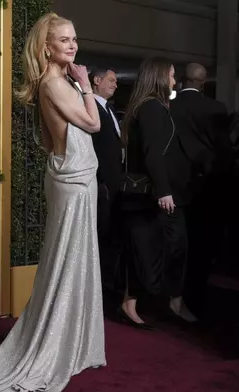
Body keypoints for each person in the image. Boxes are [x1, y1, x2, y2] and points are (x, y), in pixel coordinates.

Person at [0, 12, 106, 392]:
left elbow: (52, 142)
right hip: (74, 181)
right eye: (64, 40)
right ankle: (55, 346)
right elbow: (94, 124)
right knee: (68, 258)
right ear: (46, 46)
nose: (72, 45)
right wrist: (85, 85)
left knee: (75, 257)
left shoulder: (52, 83)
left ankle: (74, 345)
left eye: (74, 39)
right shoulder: (57, 84)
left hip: (72, 177)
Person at [119, 57, 197, 328]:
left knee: (159, 247)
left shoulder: (150, 105)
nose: (175, 81)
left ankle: (162, 301)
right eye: (172, 75)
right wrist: (164, 191)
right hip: (155, 196)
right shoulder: (151, 107)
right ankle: (139, 302)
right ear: (160, 76)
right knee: (155, 248)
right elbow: (153, 154)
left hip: (156, 195)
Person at [170, 63, 230, 317]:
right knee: (202, 247)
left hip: (174, 185)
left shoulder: (170, 107)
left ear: (182, 80)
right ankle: (197, 299)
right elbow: (224, 151)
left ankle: (172, 296)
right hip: (208, 188)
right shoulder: (216, 109)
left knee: (175, 245)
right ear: (203, 83)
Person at [89, 68, 123, 291]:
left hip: (114, 184)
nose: (116, 85)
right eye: (111, 80)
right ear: (96, 80)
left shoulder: (109, 109)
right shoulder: (89, 106)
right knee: (99, 235)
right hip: (99, 183)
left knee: (110, 235)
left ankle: (106, 283)